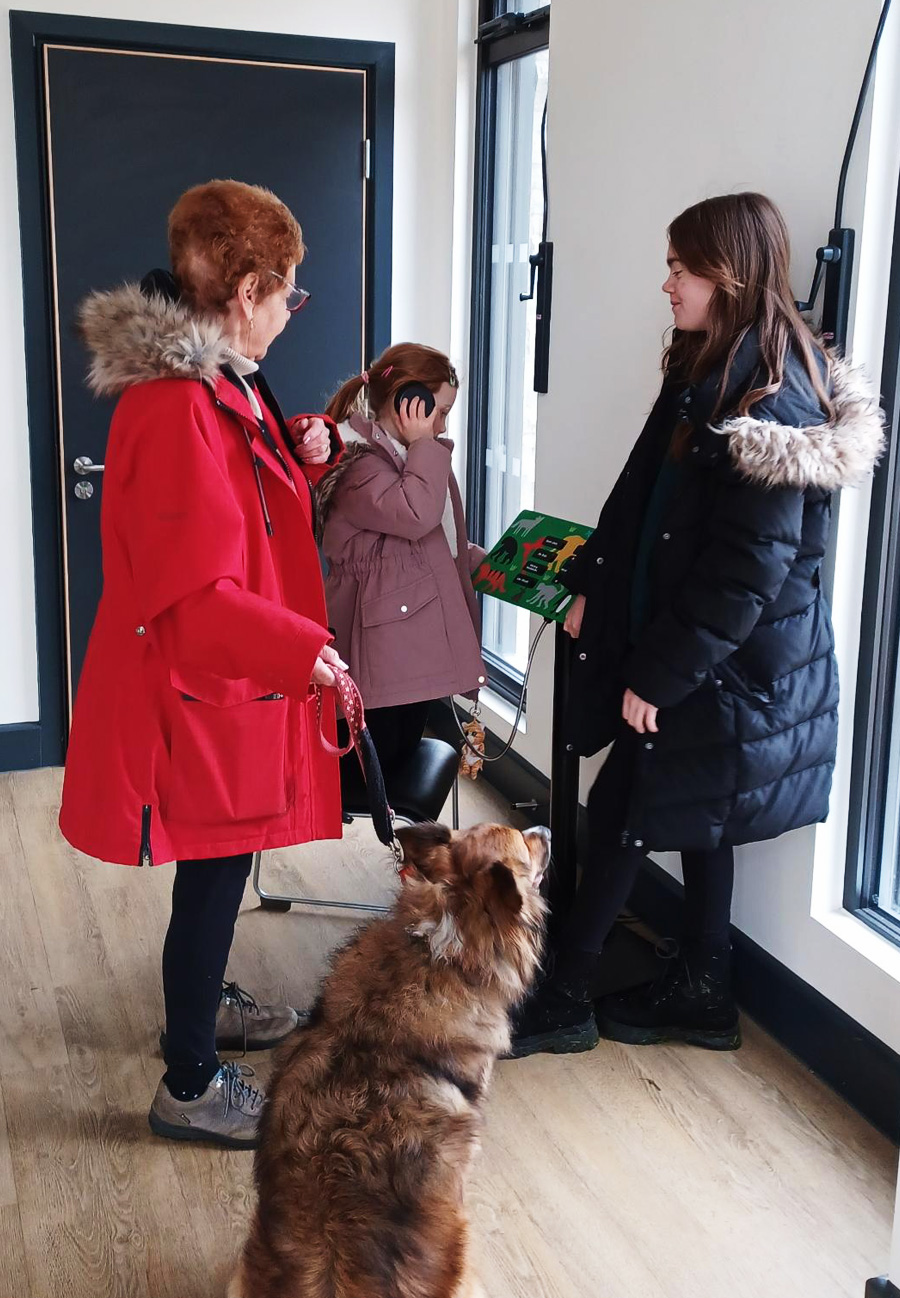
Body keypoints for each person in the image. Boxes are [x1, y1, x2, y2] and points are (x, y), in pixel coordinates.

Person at [511, 192, 884, 1059]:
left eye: (682, 269)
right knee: (693, 810)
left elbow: (747, 571)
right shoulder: (710, 365)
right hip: (710, 654)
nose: (668, 285)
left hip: (723, 663)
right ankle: (705, 990)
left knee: (624, 810)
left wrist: (660, 674)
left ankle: (565, 996)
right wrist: (595, 585)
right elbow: (649, 501)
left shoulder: (770, 399)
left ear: (731, 275)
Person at [60, 180, 347, 1147]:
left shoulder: (219, 382)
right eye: (288, 295)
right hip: (207, 681)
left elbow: (229, 507)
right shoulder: (183, 401)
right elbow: (196, 597)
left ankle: (204, 1004)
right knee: (218, 869)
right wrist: (309, 653)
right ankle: (188, 1080)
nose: (289, 312)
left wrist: (296, 454)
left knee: (222, 866)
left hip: (226, 682)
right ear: (248, 289)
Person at [318, 344, 487, 770]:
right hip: (383, 657)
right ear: (409, 404)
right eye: (440, 412)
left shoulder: (405, 460)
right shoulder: (359, 466)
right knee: (387, 765)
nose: (443, 426)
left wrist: (471, 560)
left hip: (404, 651)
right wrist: (424, 445)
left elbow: (419, 543)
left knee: (403, 749)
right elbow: (415, 516)